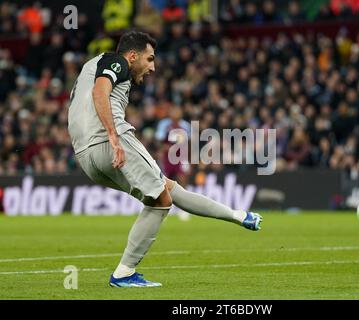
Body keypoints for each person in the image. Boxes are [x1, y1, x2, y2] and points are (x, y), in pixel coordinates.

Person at [67, 31, 262, 288]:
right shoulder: (117, 62)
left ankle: (237, 215)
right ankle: (124, 273)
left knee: (168, 188)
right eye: (149, 59)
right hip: (109, 142)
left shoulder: (89, 67)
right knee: (161, 200)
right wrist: (113, 136)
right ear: (133, 55)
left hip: (87, 157)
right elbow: (100, 93)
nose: (152, 67)